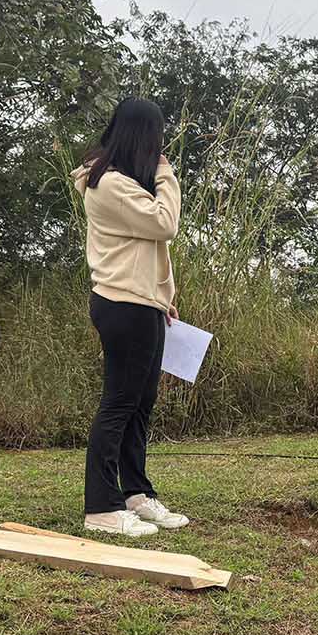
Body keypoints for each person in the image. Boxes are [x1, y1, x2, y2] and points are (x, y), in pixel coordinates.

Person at [75, 96, 188, 539]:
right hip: (122, 304)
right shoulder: (109, 184)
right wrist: (166, 173)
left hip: (142, 303)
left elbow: (143, 247)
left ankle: (136, 494)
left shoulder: (121, 183)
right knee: (119, 403)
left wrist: (161, 296)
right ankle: (101, 506)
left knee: (140, 404)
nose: (161, 147)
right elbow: (165, 224)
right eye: (158, 138)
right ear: (145, 136)